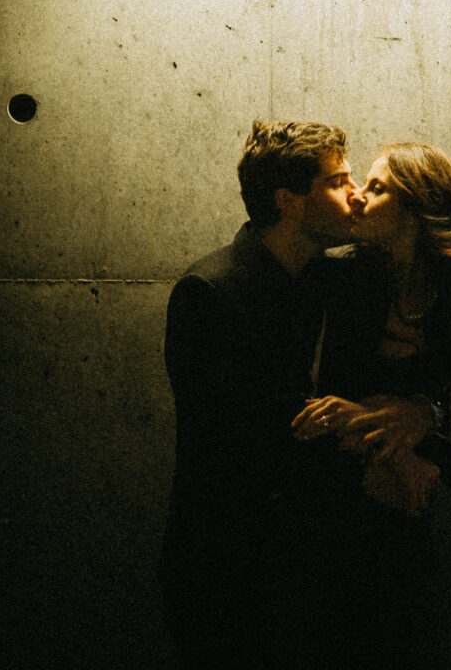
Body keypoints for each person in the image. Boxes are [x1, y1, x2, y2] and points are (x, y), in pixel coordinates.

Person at [291, 142, 451, 667]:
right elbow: (305, 408)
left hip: (403, 533)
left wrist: (422, 426)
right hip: (325, 522)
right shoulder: (337, 279)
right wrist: (385, 448)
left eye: (378, 187)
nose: (358, 196)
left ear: (416, 209)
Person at [159, 119, 361, 669]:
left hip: (316, 575)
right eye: (339, 180)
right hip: (227, 579)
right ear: (289, 201)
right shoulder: (209, 292)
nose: (357, 192)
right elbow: (227, 450)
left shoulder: (341, 284)